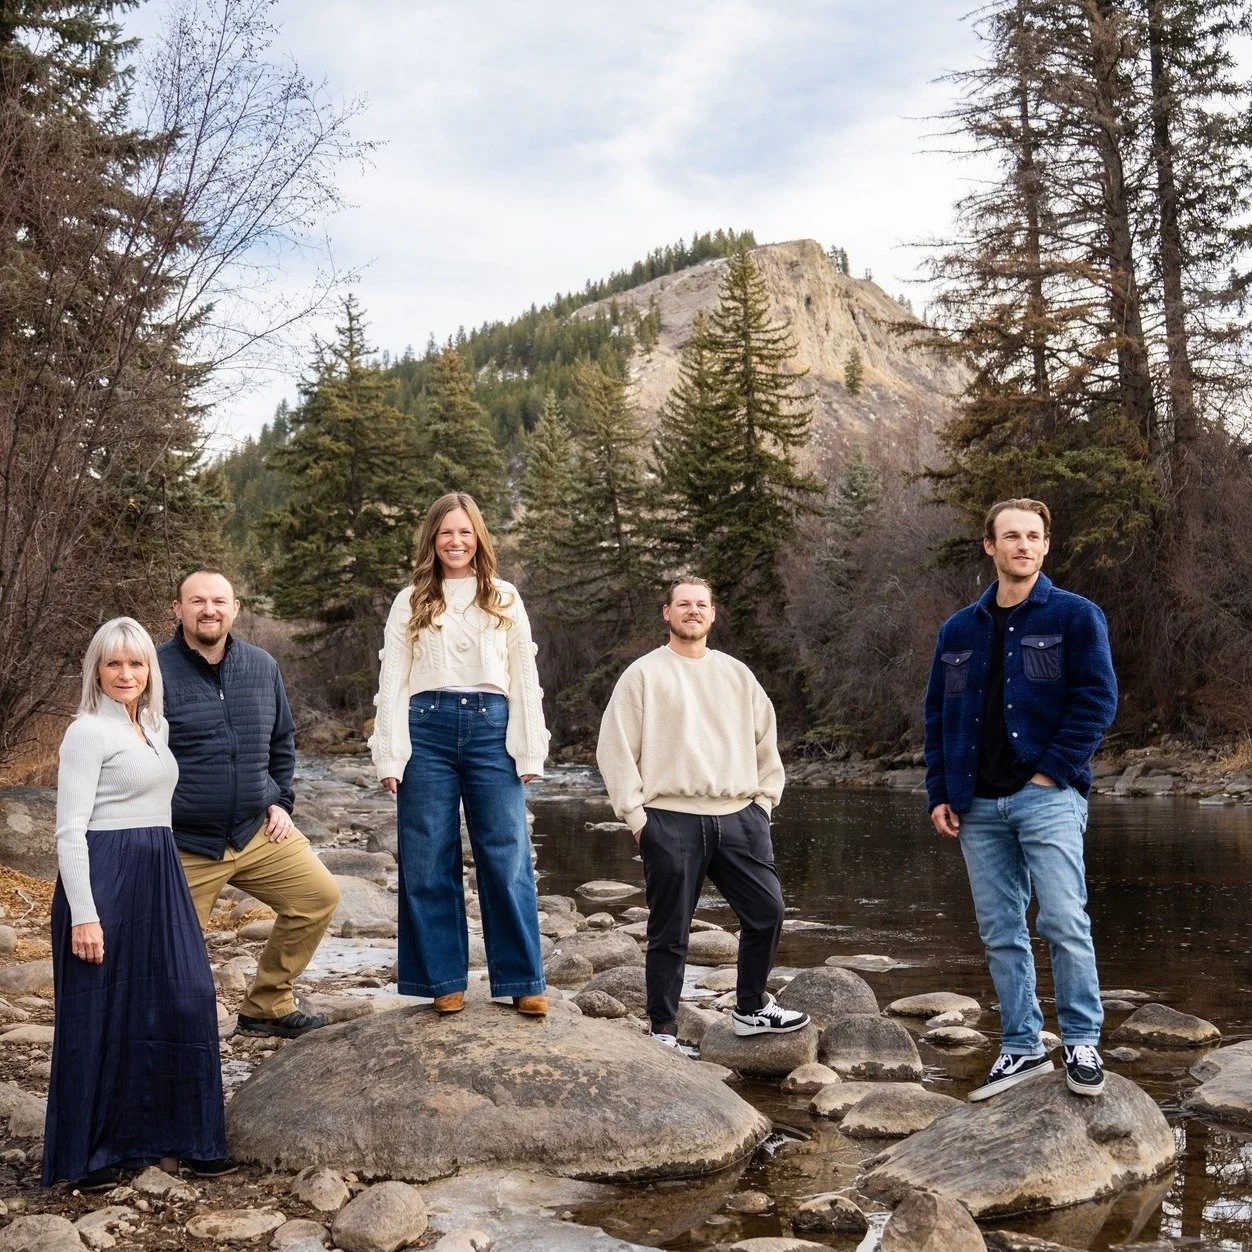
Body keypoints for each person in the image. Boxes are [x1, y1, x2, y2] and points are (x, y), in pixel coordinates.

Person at [924, 498, 1118, 1101]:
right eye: (1011, 537)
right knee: (1001, 930)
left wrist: (1050, 773)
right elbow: (938, 716)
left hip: (1048, 797)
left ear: (1046, 546)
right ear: (991, 546)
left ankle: (1082, 1040)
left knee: (1063, 919)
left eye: (1033, 537)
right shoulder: (958, 630)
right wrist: (940, 792)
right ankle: (1022, 1047)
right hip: (975, 805)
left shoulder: (1076, 616)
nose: (1023, 546)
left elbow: (1097, 701)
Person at [43, 618, 231, 1190]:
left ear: (151, 669)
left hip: (158, 870)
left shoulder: (154, 724)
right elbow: (68, 831)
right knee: (100, 1012)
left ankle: (185, 1136)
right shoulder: (85, 732)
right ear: (96, 670)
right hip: (103, 876)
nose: (126, 674)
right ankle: (94, 1156)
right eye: (114, 664)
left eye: (137, 663)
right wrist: (85, 913)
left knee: (183, 995)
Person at [597, 577, 810, 1053]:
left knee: (767, 911)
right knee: (670, 930)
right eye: (683, 604)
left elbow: (765, 743)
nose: (693, 611)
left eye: (701, 605)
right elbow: (613, 749)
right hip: (669, 818)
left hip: (739, 817)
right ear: (667, 613)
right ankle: (663, 1031)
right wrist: (637, 818)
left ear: (713, 615)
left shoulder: (737, 675)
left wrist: (763, 804)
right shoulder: (644, 675)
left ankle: (752, 1008)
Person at [372, 492, 549, 1016]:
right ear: (433, 539)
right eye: (446, 533)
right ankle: (442, 979)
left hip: (492, 727)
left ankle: (522, 979)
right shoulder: (410, 600)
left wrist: (530, 747)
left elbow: (525, 677)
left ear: (478, 539)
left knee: (506, 852)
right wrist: (389, 753)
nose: (455, 541)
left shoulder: (504, 597)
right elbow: (392, 679)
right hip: (424, 728)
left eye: (465, 532)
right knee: (427, 856)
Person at [159, 570, 339, 1039]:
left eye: (219, 600)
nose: (209, 609)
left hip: (255, 831)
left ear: (235, 608)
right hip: (184, 842)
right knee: (168, 950)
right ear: (177, 610)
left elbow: (282, 740)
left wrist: (282, 800)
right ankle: (166, 1041)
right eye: (197, 601)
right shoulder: (151, 670)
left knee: (317, 897)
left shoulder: (261, 665)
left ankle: (267, 1005)